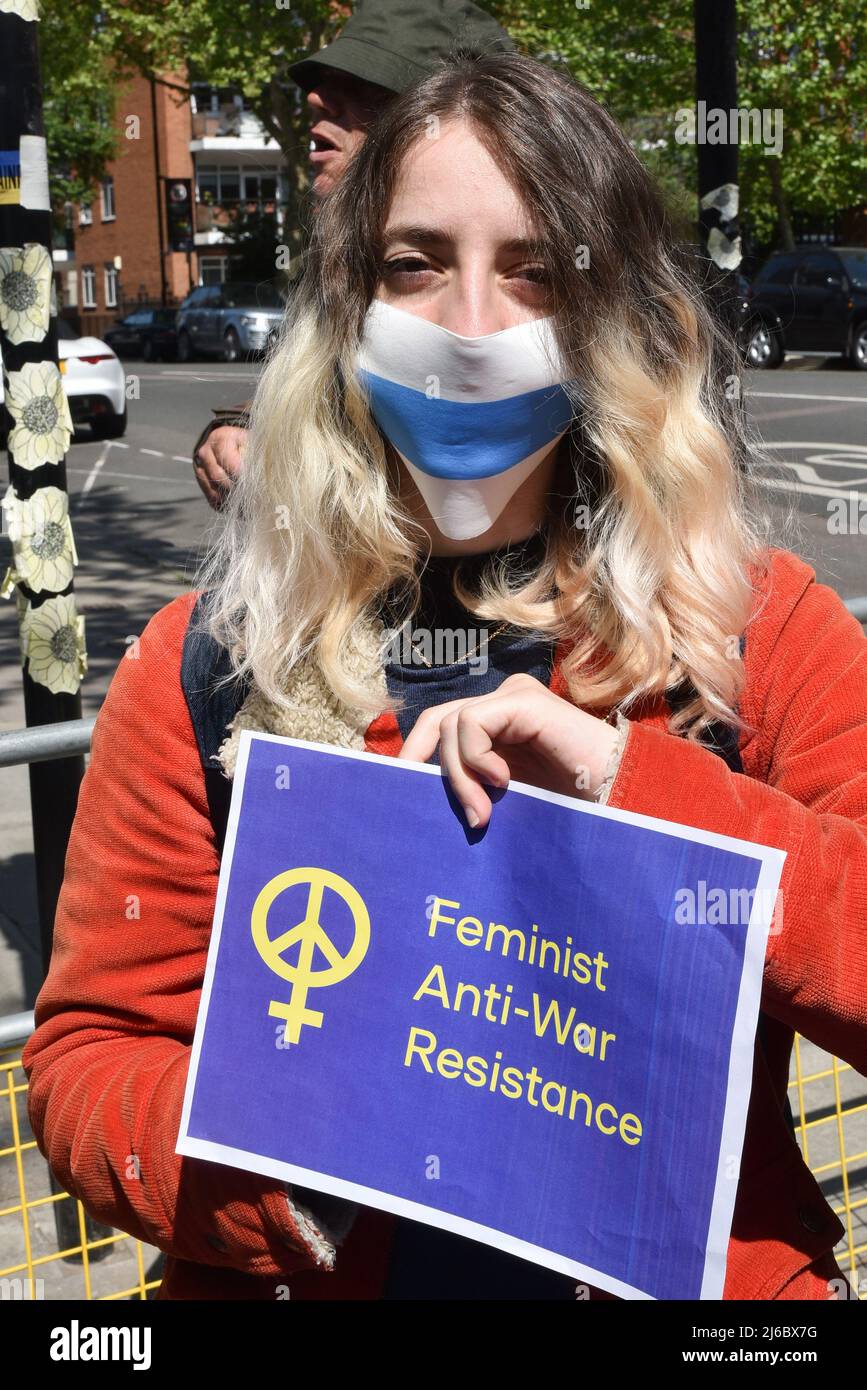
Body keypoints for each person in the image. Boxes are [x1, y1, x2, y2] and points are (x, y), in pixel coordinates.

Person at [23, 50, 867, 1302]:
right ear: (346, 306)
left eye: (534, 270)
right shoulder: (213, 655)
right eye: (414, 265)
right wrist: (297, 1157)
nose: (471, 327)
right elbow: (89, 1063)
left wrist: (640, 788)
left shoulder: (757, 633)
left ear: (618, 314)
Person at [191, 0, 514, 510]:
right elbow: (344, 391)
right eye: (322, 83)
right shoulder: (342, 253)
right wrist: (245, 426)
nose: (317, 99)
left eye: (361, 86)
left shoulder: (569, 254)